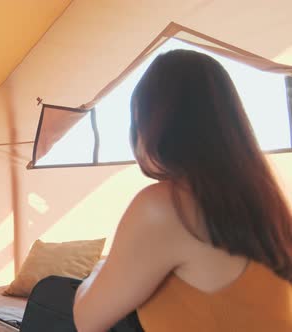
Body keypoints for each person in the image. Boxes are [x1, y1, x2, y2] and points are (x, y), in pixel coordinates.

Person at [73, 50, 292, 331]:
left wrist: (98, 270)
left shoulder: (166, 205)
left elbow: (86, 320)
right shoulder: (267, 205)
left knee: (54, 294)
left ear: (149, 124)